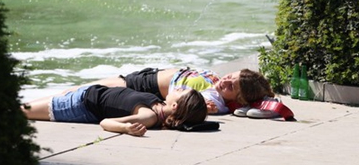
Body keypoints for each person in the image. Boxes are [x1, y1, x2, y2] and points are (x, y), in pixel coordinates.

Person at [64, 67, 274, 114]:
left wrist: (208, 110)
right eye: (230, 76)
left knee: (84, 90)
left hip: (144, 85)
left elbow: (200, 104)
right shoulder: (217, 86)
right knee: (84, 88)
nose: (225, 81)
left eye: (232, 86)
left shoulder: (215, 101)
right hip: (149, 77)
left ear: (238, 97)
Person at [22, 84, 207, 137]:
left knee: (22, 111)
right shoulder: (159, 106)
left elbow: (105, 123)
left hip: (80, 106)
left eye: (181, 91)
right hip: (86, 95)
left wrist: (126, 129)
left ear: (175, 106)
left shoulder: (149, 116)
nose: (178, 87)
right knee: (22, 107)